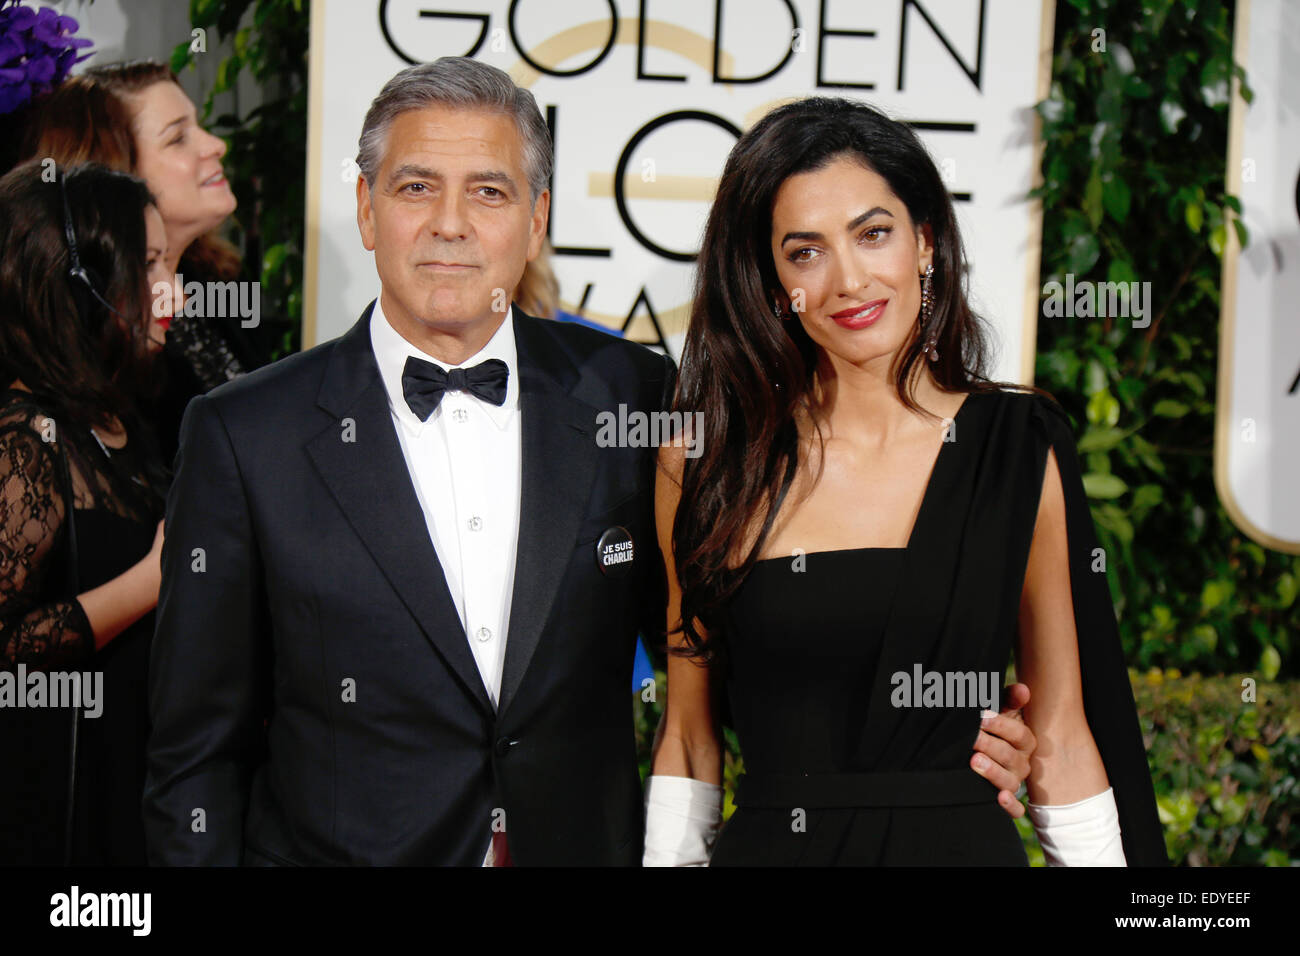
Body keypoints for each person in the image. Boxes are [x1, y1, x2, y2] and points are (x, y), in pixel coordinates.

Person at [644, 97, 1168, 866]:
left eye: (873, 233)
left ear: (924, 241)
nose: (849, 280)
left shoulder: (1017, 449)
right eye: (805, 251)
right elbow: (689, 741)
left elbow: (1059, 730)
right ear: (770, 278)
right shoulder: (703, 463)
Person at [0, 161, 173, 864]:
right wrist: (154, 581)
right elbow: (7, 650)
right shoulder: (22, 440)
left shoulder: (128, 421)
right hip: (49, 810)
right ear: (83, 286)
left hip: (130, 784)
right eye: (152, 264)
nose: (175, 290)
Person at [21, 61, 273, 463]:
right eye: (178, 138)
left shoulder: (217, 281)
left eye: (198, 126)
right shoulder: (93, 334)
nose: (215, 145)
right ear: (114, 173)